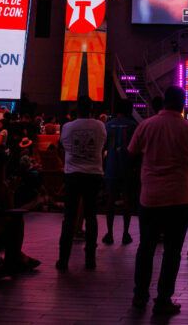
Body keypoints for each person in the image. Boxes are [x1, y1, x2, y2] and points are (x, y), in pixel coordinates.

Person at [128, 86, 188, 315]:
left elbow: (132, 154)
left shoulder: (147, 125)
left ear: (163, 102)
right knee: (172, 251)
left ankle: (140, 295)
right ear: (182, 104)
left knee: (146, 248)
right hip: (179, 197)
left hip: (150, 197)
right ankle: (163, 299)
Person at [56, 96, 106, 270]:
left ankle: (63, 259)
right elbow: (102, 145)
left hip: (73, 175)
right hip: (93, 175)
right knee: (91, 217)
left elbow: (63, 146)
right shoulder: (99, 126)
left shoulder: (68, 127)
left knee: (69, 218)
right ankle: (90, 259)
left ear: (77, 109)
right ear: (92, 109)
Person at [103, 99, 138, 245]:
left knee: (110, 200)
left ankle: (109, 233)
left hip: (112, 166)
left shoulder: (108, 125)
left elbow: (104, 147)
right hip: (127, 167)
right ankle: (125, 233)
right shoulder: (133, 126)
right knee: (127, 200)